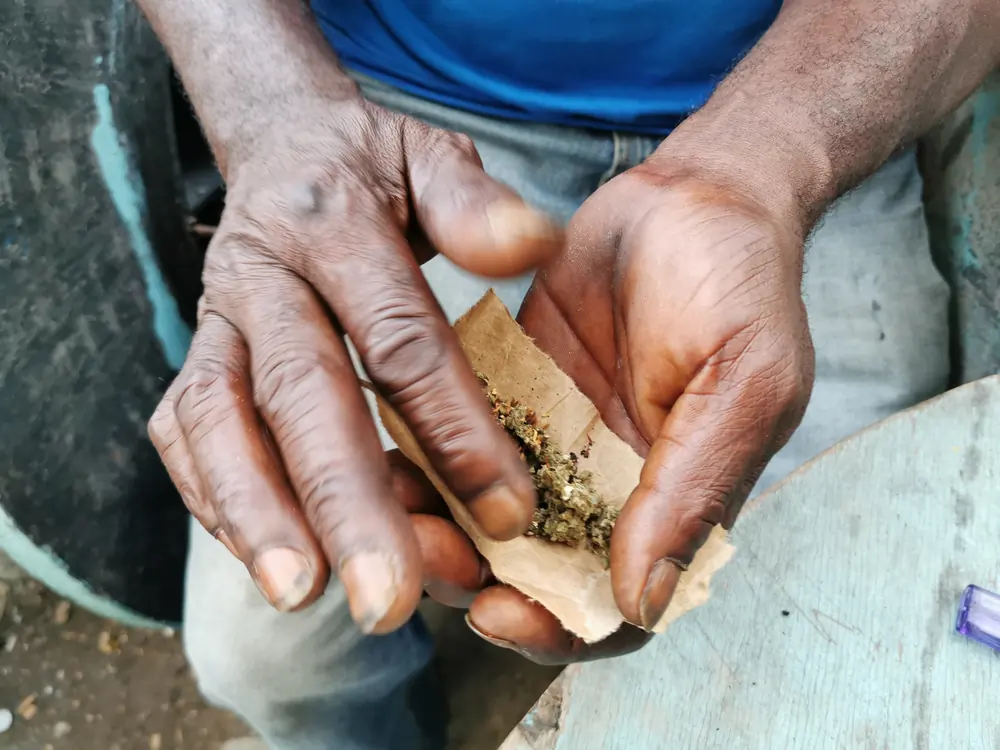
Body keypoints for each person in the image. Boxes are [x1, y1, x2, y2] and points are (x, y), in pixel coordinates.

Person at [138, 0, 1000, 746]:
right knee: (270, 657)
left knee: (852, 614)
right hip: (385, 133)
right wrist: (272, 119)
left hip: (815, 100)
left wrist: (761, 161)